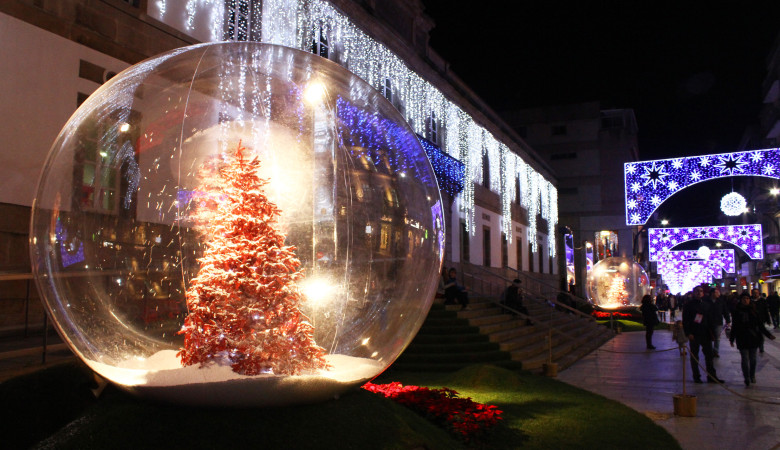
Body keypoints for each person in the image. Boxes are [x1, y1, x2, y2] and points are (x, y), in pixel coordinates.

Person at [730, 292, 776, 387]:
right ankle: (746, 377)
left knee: (753, 359)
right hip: (742, 338)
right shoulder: (737, 311)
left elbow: (760, 325)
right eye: (744, 298)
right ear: (741, 300)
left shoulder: (754, 311)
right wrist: (731, 338)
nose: (745, 300)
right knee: (745, 358)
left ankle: (752, 375)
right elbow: (734, 326)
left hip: (753, 338)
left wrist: (768, 335)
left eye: (747, 298)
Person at [683, 286, 723, 384]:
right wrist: (688, 333)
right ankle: (696, 376)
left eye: (701, 291)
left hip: (705, 333)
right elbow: (686, 321)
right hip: (694, 333)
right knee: (695, 356)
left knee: (709, 356)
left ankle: (711, 376)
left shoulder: (706, 304)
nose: (699, 293)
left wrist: (713, 333)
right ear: (693, 293)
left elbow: (710, 320)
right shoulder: (689, 305)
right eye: (697, 291)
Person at [707, 288, 731, 358]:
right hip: (708, 322)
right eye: (717, 292)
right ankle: (709, 350)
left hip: (718, 322)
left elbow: (725, 311)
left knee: (717, 337)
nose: (718, 294)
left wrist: (728, 320)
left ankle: (715, 351)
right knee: (708, 337)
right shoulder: (706, 301)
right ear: (712, 293)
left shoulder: (721, 301)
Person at [751, 288, 770, 353]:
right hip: (752, 321)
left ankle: (761, 346)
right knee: (754, 334)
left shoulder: (762, 301)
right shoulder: (750, 301)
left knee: (761, 334)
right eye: (754, 293)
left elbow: (765, 311)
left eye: (756, 293)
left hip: (761, 320)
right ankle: (755, 346)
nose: (755, 294)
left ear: (759, 293)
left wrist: (768, 320)